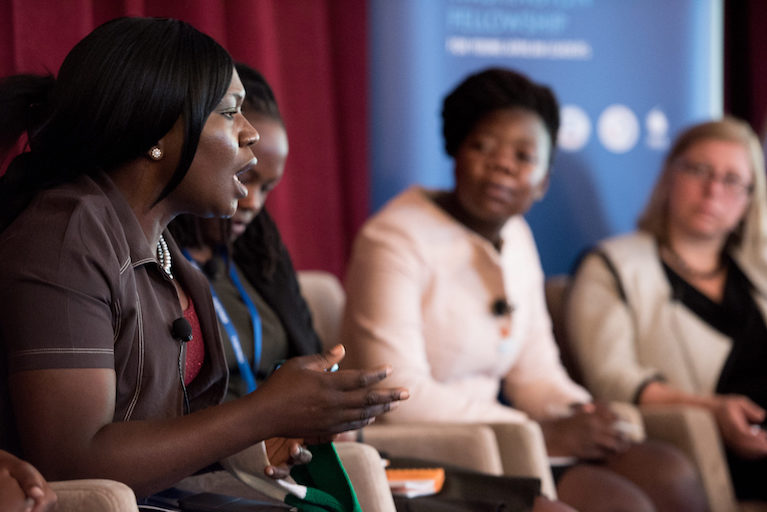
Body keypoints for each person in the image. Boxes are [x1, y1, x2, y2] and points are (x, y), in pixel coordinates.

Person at [0, 16, 407, 502]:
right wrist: (264, 411)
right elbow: (72, 460)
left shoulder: (162, 247)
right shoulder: (67, 236)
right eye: (230, 112)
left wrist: (264, 438)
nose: (250, 133)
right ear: (159, 128)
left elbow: (157, 432)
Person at [170, 62, 571, 512]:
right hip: (235, 471)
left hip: (314, 456)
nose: (253, 202)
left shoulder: (255, 250)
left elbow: (315, 367)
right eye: (247, 178)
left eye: (269, 186)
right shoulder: (159, 265)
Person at [342, 67, 708, 512]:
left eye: (523, 156)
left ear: (544, 179)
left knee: (669, 470)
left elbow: (535, 373)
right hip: (427, 448)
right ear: (455, 150)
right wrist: (536, 431)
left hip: (508, 437)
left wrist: (581, 414)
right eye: (483, 146)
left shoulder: (516, 235)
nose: (501, 164)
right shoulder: (394, 239)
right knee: (622, 504)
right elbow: (397, 393)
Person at [566, 117, 767, 502]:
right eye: (699, 170)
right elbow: (612, 380)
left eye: (731, 180)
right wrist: (711, 410)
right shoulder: (613, 265)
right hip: (697, 445)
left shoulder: (759, 270)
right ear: (669, 177)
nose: (713, 191)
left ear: (748, 199)